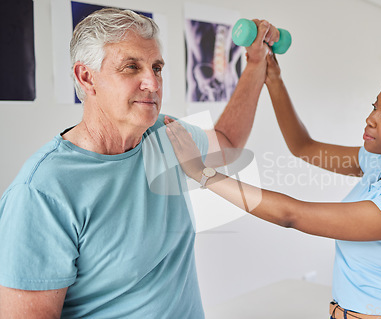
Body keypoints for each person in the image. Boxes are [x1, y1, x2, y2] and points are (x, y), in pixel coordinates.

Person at [165, 48, 381, 319]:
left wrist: (202, 173)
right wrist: (273, 79)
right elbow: (303, 147)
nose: (371, 119)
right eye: (374, 107)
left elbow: (291, 215)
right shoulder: (378, 162)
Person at [0, 8, 279, 318]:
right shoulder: (40, 191)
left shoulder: (167, 135)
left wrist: (255, 63)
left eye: (156, 67)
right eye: (131, 67)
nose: (153, 83)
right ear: (86, 77)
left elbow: (227, 141)